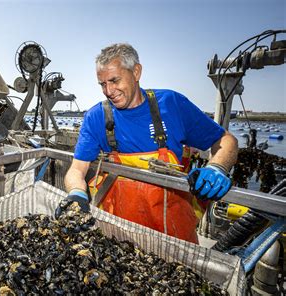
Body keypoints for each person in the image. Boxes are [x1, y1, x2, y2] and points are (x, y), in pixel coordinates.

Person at [58, 43, 238, 243]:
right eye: (102, 84)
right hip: (117, 233)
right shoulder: (96, 117)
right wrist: (76, 193)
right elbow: (77, 169)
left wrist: (217, 167)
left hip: (172, 235)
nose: (108, 91)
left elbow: (226, 140)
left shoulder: (171, 104)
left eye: (114, 80)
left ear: (136, 72)